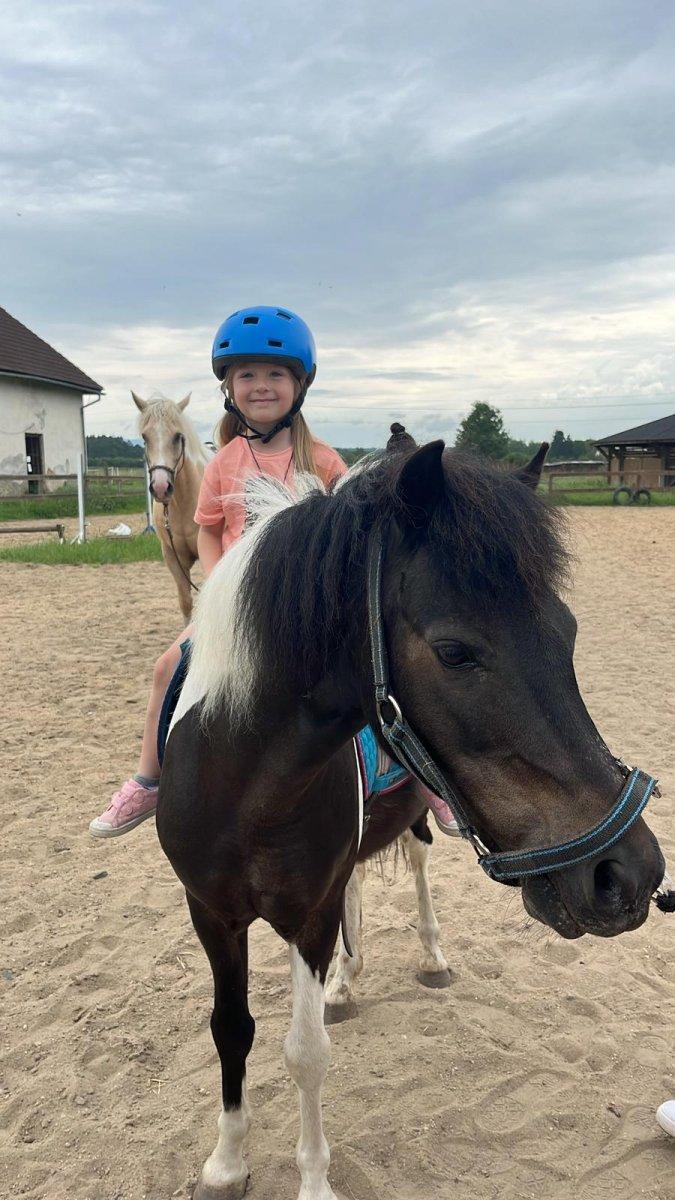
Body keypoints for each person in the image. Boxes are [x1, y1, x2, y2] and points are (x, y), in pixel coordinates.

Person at [90, 306, 346, 836]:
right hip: (237, 606)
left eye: (275, 374)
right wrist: (219, 586)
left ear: (300, 384)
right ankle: (148, 779)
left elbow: (348, 535)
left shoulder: (323, 461)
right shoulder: (225, 463)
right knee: (167, 667)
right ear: (229, 387)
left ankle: (424, 779)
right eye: (247, 374)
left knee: (382, 669)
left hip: (307, 608)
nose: (261, 385)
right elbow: (208, 531)